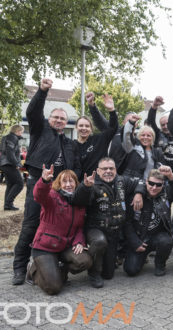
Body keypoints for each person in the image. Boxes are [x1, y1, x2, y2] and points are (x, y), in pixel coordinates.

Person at [12, 78, 80, 285]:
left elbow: (75, 166)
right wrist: (42, 91)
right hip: (37, 184)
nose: (59, 120)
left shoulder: (68, 143)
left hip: (60, 190)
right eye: (56, 117)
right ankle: (19, 267)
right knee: (31, 225)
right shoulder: (40, 129)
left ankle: (49, 264)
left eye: (62, 118)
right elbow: (33, 112)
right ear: (49, 119)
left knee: (55, 226)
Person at [25, 165, 93, 295]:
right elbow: (39, 196)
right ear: (59, 184)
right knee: (53, 288)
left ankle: (58, 268)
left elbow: (79, 226)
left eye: (71, 181)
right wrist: (44, 181)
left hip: (65, 246)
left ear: (76, 183)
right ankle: (32, 270)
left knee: (85, 261)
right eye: (64, 181)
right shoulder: (52, 196)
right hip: (45, 247)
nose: (68, 184)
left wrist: (79, 242)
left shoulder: (79, 202)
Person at [81, 157, 141, 288]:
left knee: (108, 274)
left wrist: (138, 193)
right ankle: (93, 273)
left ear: (116, 169)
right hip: (95, 230)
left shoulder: (121, 181)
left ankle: (101, 261)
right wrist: (85, 188)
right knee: (99, 242)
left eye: (111, 168)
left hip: (113, 231)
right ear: (98, 171)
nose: (108, 171)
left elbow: (141, 181)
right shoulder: (91, 184)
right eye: (104, 169)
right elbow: (78, 200)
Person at [145, 96, 173, 256]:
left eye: (167, 124)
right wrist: (154, 107)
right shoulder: (157, 136)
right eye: (162, 125)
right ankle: (159, 244)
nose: (165, 126)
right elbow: (150, 121)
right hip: (161, 182)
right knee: (162, 214)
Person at [123, 166, 173, 276]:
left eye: (158, 185)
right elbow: (127, 222)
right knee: (130, 270)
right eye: (151, 183)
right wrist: (135, 243)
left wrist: (170, 175)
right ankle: (142, 257)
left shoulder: (166, 194)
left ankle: (160, 264)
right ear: (146, 182)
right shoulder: (135, 197)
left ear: (163, 185)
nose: (154, 187)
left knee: (166, 241)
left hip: (157, 236)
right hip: (139, 238)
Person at [75, 92, 118, 178]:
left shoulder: (99, 140)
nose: (84, 128)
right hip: (81, 186)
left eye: (87, 126)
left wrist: (112, 111)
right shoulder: (71, 145)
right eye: (81, 125)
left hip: (100, 184)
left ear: (91, 128)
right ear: (76, 127)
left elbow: (113, 128)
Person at [121, 114, 162, 180]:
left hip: (149, 186)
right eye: (143, 135)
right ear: (139, 137)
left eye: (148, 135)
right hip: (132, 184)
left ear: (152, 138)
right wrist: (131, 123)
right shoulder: (132, 147)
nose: (145, 137)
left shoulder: (157, 152)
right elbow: (126, 136)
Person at [0, 124, 25, 211]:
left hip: (4, 164)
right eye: (22, 131)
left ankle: (7, 206)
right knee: (20, 183)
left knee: (10, 184)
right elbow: (10, 153)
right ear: (17, 131)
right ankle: (9, 203)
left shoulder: (6, 137)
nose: (22, 133)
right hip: (9, 164)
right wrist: (16, 164)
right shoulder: (12, 138)